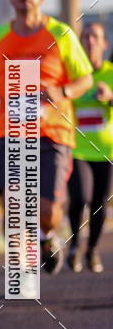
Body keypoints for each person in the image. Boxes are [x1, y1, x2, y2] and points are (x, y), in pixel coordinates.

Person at [0, 0, 93, 274]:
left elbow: (85, 78)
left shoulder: (61, 34)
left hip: (53, 133)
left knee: (47, 212)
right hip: (8, 132)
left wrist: (62, 91)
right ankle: (20, 273)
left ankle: (47, 236)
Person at [66, 22, 113, 273]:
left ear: (104, 44)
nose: (89, 41)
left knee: (99, 204)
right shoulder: (74, 76)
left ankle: (92, 251)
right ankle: (74, 245)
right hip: (77, 149)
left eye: (95, 36)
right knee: (79, 197)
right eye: (85, 37)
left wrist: (111, 97)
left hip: (106, 152)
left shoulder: (111, 73)